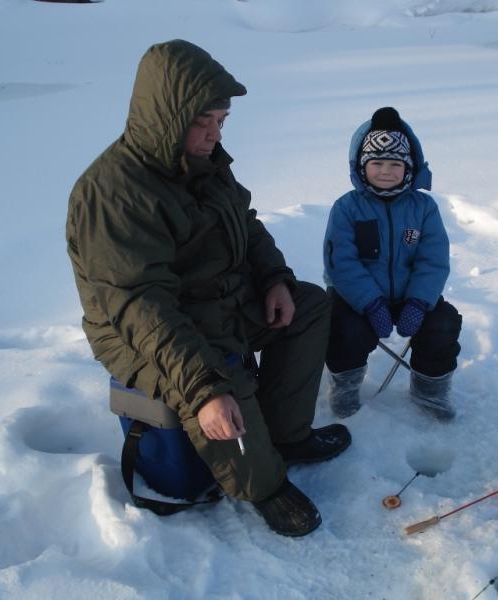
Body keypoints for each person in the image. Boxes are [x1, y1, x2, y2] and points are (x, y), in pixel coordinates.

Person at [66, 40, 351, 537]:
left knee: (307, 306)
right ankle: (262, 484)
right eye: (204, 122)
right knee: (216, 377)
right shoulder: (112, 195)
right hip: (142, 332)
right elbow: (140, 307)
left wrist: (274, 280)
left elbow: (247, 224)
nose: (215, 134)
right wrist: (203, 390)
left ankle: (285, 436)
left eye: (222, 121)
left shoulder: (206, 162)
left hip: (216, 302)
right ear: (168, 117)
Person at [322, 107, 463, 420]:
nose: (385, 171)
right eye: (377, 163)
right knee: (342, 329)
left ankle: (430, 394)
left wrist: (418, 302)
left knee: (443, 323)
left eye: (394, 164)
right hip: (356, 298)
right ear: (362, 166)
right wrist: (370, 304)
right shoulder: (347, 208)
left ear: (408, 167)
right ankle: (344, 390)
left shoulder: (423, 208)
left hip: (409, 296)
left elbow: (434, 259)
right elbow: (340, 263)